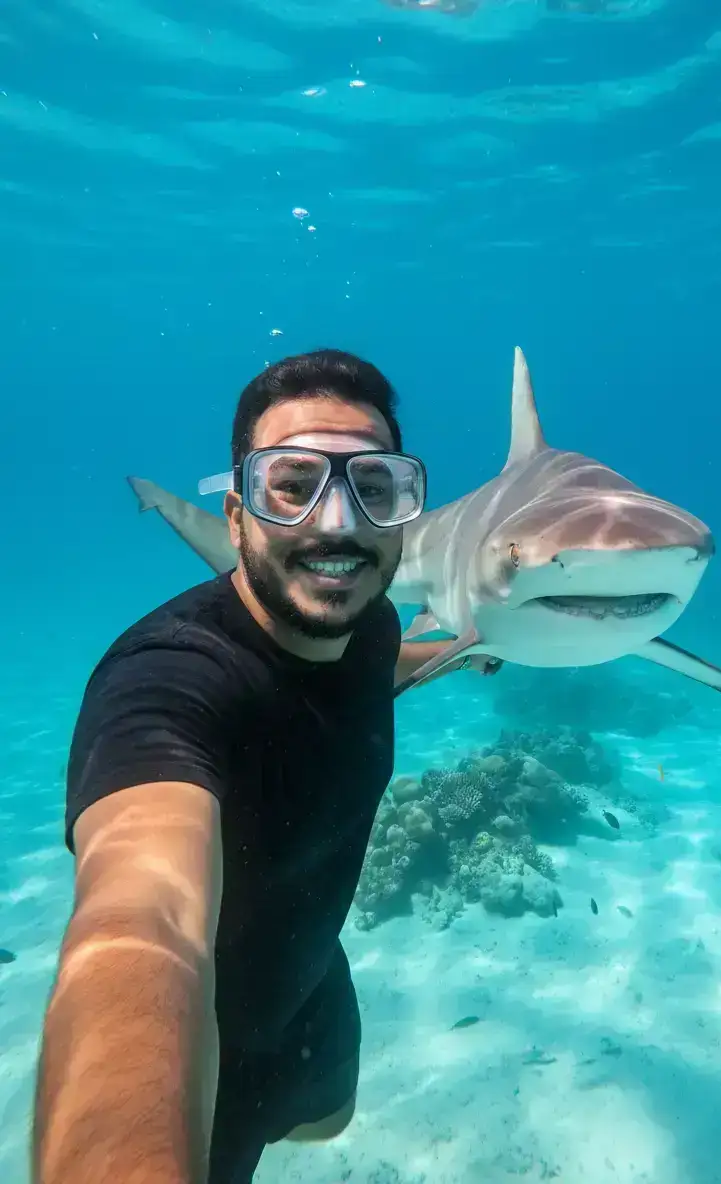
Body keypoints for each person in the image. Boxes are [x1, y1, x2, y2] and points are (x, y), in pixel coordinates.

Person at [31, 349, 500, 1184]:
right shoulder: (166, 686)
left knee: (326, 1122)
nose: (337, 523)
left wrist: (458, 656)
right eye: (294, 484)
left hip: (311, 977)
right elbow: (144, 924)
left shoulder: (369, 624)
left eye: (376, 487)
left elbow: (363, 672)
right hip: (209, 1061)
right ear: (238, 513)